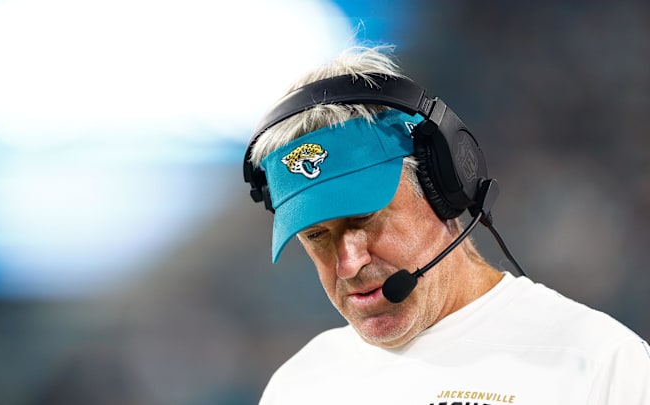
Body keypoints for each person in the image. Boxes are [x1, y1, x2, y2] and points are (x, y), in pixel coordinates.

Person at [243, 45, 650, 404]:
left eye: (365, 220)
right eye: (316, 236)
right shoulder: (298, 387)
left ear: (442, 185)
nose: (348, 264)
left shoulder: (598, 362)